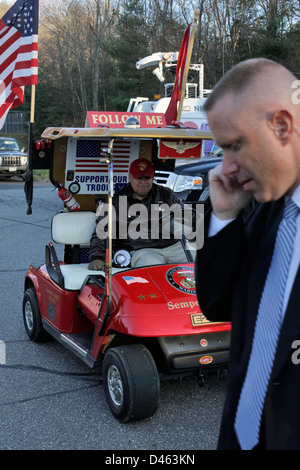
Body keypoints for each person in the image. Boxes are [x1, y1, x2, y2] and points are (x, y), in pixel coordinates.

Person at [195, 58, 300, 450]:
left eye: (234, 145)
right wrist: (224, 215)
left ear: (282, 126)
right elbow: (217, 304)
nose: (226, 168)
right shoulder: (261, 207)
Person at [88, 157, 188, 270]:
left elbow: (184, 218)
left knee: (200, 259)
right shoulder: (117, 201)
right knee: (152, 267)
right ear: (130, 178)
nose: (143, 182)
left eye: (147, 178)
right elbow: (102, 230)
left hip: (173, 247)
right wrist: (98, 257)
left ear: (153, 178)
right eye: (139, 178)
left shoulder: (166, 194)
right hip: (143, 250)